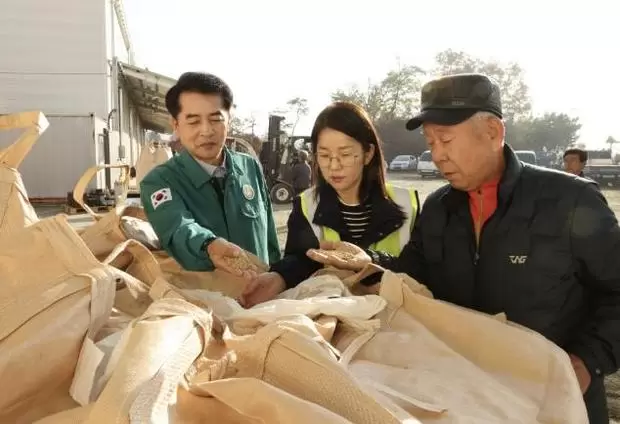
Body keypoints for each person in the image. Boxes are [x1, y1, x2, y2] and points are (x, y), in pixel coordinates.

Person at [308, 74, 620, 423]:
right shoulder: (440, 207)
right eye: (430, 142)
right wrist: (370, 264)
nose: (437, 155)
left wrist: (587, 360)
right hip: (469, 398)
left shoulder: (569, 201)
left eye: (445, 140)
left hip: (555, 401)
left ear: (492, 132)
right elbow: (414, 273)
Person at [240, 101, 420, 307]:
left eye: (344, 154)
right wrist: (279, 277)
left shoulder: (408, 204)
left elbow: (420, 268)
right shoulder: (307, 204)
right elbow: (301, 259)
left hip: (398, 319)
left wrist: (371, 261)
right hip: (337, 319)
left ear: (368, 153)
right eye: (324, 155)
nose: (334, 166)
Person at [140, 72, 280, 278]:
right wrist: (209, 246)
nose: (206, 131)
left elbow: (269, 236)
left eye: (216, 119)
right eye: (194, 121)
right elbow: (179, 228)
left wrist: (279, 276)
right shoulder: (159, 182)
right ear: (176, 125)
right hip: (209, 302)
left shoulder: (249, 166)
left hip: (265, 296)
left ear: (229, 120)